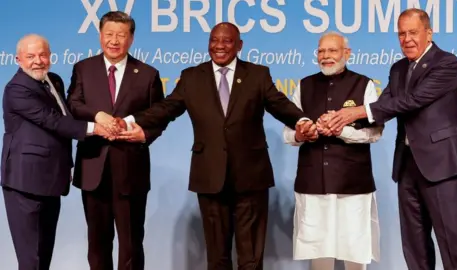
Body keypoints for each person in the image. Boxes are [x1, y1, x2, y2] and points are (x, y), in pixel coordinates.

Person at [115, 22, 317, 269]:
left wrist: (302, 120)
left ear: (239, 45)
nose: (219, 46)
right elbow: (166, 108)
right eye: (214, 40)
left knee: (251, 256)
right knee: (216, 255)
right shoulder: (191, 77)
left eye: (227, 41)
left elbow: (279, 104)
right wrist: (131, 121)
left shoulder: (257, 74)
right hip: (209, 175)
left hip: (251, 176)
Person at [325, 8, 457, 270]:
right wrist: (341, 119)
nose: (407, 39)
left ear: (429, 33)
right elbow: (384, 104)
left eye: (413, 33)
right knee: (414, 244)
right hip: (407, 165)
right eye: (401, 34)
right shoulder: (398, 68)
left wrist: (357, 111)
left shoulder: (446, 63)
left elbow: (412, 100)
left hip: (441, 164)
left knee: (453, 242)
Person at [66, 11, 165, 270]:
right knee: (97, 242)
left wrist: (144, 134)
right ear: (100, 35)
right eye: (109, 34)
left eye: (121, 35)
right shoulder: (83, 69)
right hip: (93, 166)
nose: (114, 40)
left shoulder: (147, 74)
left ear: (131, 39)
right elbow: (73, 104)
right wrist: (97, 115)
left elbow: (158, 117)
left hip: (131, 169)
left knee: (131, 242)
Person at [1, 34, 108, 270]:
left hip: (52, 179)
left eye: (42, 55)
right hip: (24, 182)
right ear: (18, 59)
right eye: (30, 56)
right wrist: (96, 128)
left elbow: (67, 115)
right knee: (31, 259)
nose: (38, 61)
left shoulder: (54, 80)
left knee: (44, 252)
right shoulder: (17, 89)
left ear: (50, 55)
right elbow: (53, 121)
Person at [283, 31, 383, 270]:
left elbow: (376, 133)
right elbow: (289, 133)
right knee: (318, 249)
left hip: (353, 184)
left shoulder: (364, 84)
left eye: (332, 50)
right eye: (321, 51)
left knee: (355, 249)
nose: (326, 56)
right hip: (313, 182)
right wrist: (302, 134)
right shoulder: (304, 85)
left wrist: (341, 130)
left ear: (346, 53)